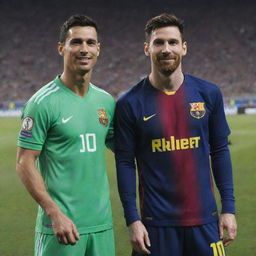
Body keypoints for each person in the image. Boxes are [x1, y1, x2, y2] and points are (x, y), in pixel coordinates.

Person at [114, 13, 237, 256]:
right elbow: (125, 162)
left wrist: (229, 209)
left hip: (205, 221)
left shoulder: (209, 93)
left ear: (184, 47)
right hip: (155, 226)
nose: (166, 49)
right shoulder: (129, 103)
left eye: (172, 42)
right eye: (159, 42)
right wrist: (132, 219)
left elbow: (220, 151)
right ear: (147, 48)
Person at [16, 14, 115, 256]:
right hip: (60, 227)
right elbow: (24, 162)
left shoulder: (106, 101)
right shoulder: (42, 103)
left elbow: (128, 149)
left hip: (102, 226)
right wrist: (54, 213)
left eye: (90, 43)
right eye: (76, 42)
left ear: (98, 49)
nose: (84, 49)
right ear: (62, 48)